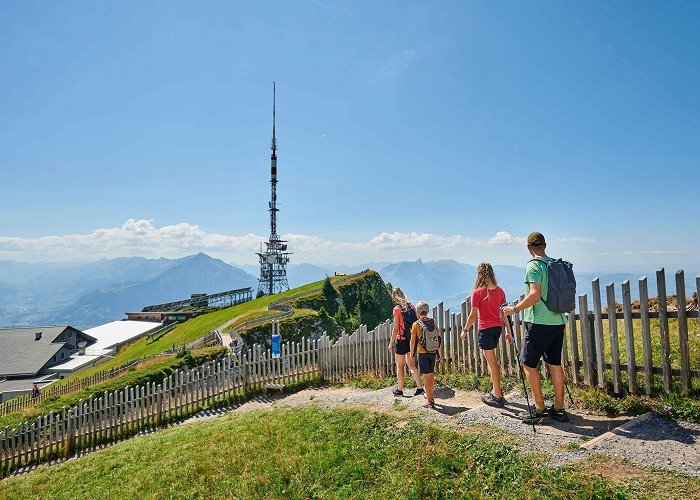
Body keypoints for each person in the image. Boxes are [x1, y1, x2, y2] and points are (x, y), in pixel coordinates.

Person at [503, 232, 570, 424]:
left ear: (528, 247)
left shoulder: (534, 266)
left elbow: (534, 294)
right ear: (545, 245)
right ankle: (558, 408)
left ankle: (540, 409)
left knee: (528, 364)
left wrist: (514, 309)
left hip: (539, 321)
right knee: (555, 364)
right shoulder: (555, 264)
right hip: (558, 321)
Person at [460, 263, 510, 407]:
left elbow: (473, 315)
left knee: (493, 364)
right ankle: (496, 390)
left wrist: (465, 330)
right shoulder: (500, 291)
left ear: (479, 275)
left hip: (485, 330)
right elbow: (504, 312)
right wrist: (508, 331)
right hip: (497, 329)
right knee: (491, 362)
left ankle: (498, 396)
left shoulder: (477, 292)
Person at [388, 288, 424, 397]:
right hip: (411, 340)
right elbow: (417, 323)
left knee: (400, 366)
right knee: (411, 365)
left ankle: (399, 390)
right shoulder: (412, 307)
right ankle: (419, 388)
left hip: (401, 340)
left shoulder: (397, 310)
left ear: (394, 297)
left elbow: (395, 329)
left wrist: (391, 343)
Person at [410, 301, 440, 408]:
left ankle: (430, 400)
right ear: (427, 311)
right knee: (431, 375)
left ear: (418, 312)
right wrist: (437, 353)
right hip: (432, 352)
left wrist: (411, 354)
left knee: (426, 377)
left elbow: (412, 341)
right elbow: (438, 337)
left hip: (423, 353)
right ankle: (430, 395)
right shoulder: (433, 322)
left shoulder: (416, 324)